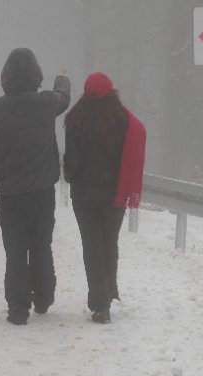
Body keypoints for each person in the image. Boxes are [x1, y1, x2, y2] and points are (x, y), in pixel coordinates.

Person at [0, 48, 71, 325]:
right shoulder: (45, 103)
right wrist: (62, 78)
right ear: (36, 76)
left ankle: (17, 309)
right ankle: (43, 297)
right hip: (42, 191)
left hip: (9, 194)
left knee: (15, 249)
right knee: (42, 244)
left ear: (5, 78)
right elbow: (64, 97)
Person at [63, 71, 146, 324]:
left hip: (84, 194)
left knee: (92, 246)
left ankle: (99, 304)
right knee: (109, 242)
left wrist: (69, 174)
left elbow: (72, 161)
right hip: (114, 194)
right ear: (112, 92)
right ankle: (108, 293)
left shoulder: (75, 119)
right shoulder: (123, 120)